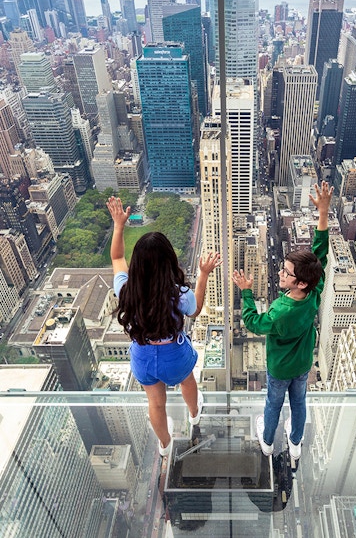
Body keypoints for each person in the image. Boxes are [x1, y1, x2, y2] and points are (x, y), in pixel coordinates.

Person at [106, 196, 221, 457]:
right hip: (174, 355)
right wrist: (203, 274)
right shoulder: (177, 294)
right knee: (187, 382)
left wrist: (119, 225)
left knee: (156, 404)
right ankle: (194, 415)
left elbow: (116, 257)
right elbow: (196, 309)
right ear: (169, 261)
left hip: (143, 356)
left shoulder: (126, 289)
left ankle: (165, 445)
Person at [232, 181, 333, 460]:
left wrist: (247, 292)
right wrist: (322, 214)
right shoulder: (314, 291)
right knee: (299, 403)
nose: (280, 273)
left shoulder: (280, 312)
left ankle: (267, 441)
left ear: (299, 282)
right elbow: (320, 254)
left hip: (279, 368)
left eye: (286, 273)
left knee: (273, 405)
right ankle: (296, 442)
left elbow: (252, 322)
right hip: (302, 364)